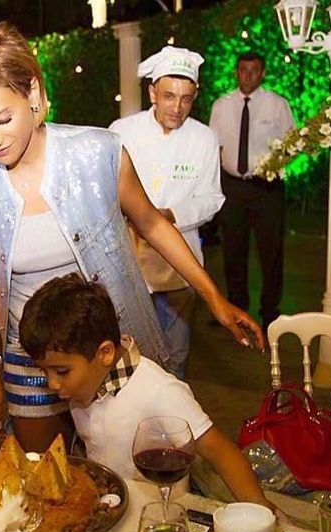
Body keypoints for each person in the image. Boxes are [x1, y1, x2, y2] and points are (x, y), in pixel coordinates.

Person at [0, 22, 264, 453]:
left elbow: (151, 223)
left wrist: (214, 298)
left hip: (109, 346)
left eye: (2, 119)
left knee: (129, 473)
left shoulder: (98, 153)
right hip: (29, 356)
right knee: (45, 476)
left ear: (33, 92)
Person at [19, 272, 274, 511]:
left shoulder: (159, 391)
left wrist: (260, 508)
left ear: (105, 353)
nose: (52, 384)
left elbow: (220, 452)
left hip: (158, 515)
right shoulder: (83, 387)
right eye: (44, 371)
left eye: (61, 371)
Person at [109, 46, 225, 379]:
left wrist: (170, 214)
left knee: (176, 354)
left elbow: (212, 199)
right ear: (152, 93)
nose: (177, 107)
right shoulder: (122, 130)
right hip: (129, 259)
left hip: (180, 261)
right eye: (169, 96)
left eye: (186, 99)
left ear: (195, 97)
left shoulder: (204, 138)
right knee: (127, 354)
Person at [209, 52, 295, 331]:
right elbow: (214, 148)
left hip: (266, 188)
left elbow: (291, 144)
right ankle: (237, 308)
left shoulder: (277, 105)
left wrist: (274, 167)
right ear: (236, 72)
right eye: (243, 69)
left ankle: (270, 311)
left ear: (263, 73)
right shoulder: (221, 106)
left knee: (271, 251)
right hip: (232, 187)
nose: (248, 75)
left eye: (254, 70)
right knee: (233, 250)